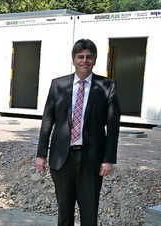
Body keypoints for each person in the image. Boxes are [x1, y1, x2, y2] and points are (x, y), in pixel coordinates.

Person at [35, 39, 120, 226]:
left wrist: (108, 159)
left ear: (95, 60)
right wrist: (41, 153)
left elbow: (113, 127)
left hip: (92, 159)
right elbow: (48, 120)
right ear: (73, 60)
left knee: (89, 213)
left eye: (89, 57)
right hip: (62, 158)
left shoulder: (107, 86)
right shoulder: (58, 85)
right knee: (64, 213)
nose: (84, 61)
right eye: (80, 57)